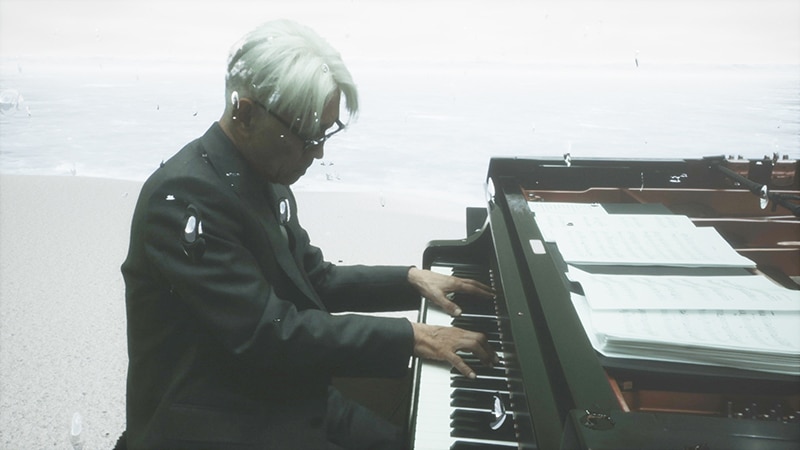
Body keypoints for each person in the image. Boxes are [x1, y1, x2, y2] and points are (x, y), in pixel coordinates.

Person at [121, 19, 496, 449]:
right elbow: (269, 333)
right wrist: (411, 336)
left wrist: (410, 280)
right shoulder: (184, 197)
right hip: (215, 421)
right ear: (245, 114)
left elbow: (313, 278)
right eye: (307, 136)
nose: (318, 152)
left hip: (282, 396)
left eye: (325, 133)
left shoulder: (263, 174)